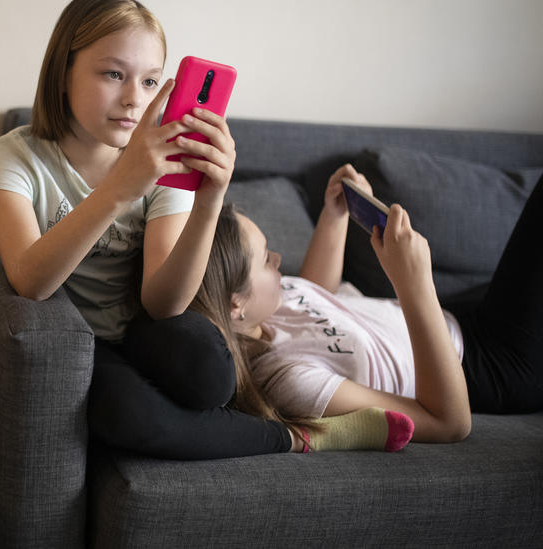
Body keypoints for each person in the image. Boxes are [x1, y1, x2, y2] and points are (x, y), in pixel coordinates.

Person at [0, 0, 413, 458]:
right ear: (63, 73)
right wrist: (120, 189)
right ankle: (302, 436)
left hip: (144, 326)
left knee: (211, 375)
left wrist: (209, 201)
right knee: (124, 414)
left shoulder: (164, 161)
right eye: (113, 74)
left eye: (150, 82)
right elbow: (29, 281)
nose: (133, 99)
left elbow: (163, 302)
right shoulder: (16, 157)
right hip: (84, 338)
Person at [192, 163, 543, 443]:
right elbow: (448, 423)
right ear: (234, 303)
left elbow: (316, 297)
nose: (279, 260)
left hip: (461, 316)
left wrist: (334, 216)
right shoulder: (292, 383)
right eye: (266, 259)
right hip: (483, 364)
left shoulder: (260, 314)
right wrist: (414, 282)